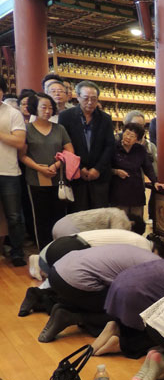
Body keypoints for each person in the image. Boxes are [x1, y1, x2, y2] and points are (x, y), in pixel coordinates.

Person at [18, 228, 156, 317]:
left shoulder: (136, 242)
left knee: (77, 290)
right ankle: (69, 315)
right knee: (109, 305)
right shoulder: (147, 254)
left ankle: (39, 295)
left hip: (62, 248)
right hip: (73, 251)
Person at [38, 243, 161, 342]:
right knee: (125, 314)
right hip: (75, 279)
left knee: (108, 299)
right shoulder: (156, 267)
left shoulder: (143, 254)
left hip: (57, 271)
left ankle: (64, 309)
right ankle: (71, 317)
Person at [18, 93, 74, 249]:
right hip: (35, 179)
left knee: (59, 217)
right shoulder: (27, 129)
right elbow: (22, 155)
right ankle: (44, 250)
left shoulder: (59, 129)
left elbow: (70, 151)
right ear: (34, 108)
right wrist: (39, 168)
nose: (48, 111)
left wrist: (56, 165)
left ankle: (60, 249)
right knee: (40, 218)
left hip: (58, 179)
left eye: (50, 108)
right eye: (43, 107)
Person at [58, 80, 115, 211]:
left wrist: (98, 169)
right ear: (77, 97)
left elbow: (109, 146)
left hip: (100, 175)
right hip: (76, 175)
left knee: (99, 214)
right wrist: (80, 168)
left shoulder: (105, 118)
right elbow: (64, 145)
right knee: (79, 214)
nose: (90, 102)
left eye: (93, 99)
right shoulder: (66, 117)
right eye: (86, 98)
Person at [109, 122, 164, 217]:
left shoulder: (140, 150)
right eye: (127, 133)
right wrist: (116, 172)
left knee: (137, 220)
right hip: (118, 190)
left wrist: (155, 181)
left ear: (137, 139)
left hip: (136, 190)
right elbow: (106, 167)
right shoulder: (114, 147)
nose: (128, 137)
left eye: (132, 136)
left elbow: (148, 167)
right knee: (120, 220)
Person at [0, 76, 27, 267]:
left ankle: (17, 253)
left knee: (14, 216)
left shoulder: (12, 113)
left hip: (9, 172)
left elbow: (19, 142)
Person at [51, 207, 144, 239]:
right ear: (132, 223)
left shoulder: (115, 211)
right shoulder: (121, 218)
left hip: (61, 223)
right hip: (72, 229)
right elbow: (116, 239)